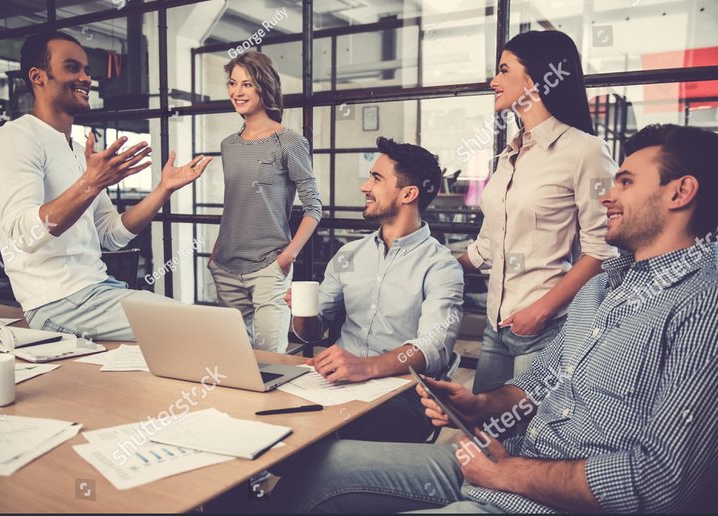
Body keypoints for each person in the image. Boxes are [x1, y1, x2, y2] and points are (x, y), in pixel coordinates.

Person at [268, 123, 718, 513]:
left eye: (623, 182)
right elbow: (538, 385)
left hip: (536, 488)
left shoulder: (701, 304)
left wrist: (507, 473)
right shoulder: (602, 286)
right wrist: (479, 405)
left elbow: (659, 484)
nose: (606, 197)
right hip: (507, 462)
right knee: (320, 467)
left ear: (681, 192)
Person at [0, 31, 211, 341]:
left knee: (205, 332)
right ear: (38, 77)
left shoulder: (77, 151)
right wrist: (89, 184)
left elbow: (111, 234)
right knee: (204, 329)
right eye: (73, 68)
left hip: (97, 290)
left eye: (87, 70)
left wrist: (163, 190)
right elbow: (23, 235)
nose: (86, 78)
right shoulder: (15, 138)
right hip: (58, 302)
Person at [457, 30, 618, 394]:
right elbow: (487, 245)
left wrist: (541, 311)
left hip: (546, 326)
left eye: (503, 70)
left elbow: (603, 250)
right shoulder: (510, 155)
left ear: (533, 80)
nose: (493, 81)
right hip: (496, 324)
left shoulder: (585, 151)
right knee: (483, 432)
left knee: (529, 442)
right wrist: (432, 269)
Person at [288, 136, 465, 443]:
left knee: (329, 436)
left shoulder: (441, 266)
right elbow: (313, 331)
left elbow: (433, 347)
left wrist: (365, 367)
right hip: (335, 383)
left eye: (376, 178)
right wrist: (303, 311)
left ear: (408, 193)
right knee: (273, 412)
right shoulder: (349, 255)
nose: (364, 186)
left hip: (401, 394)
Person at [207, 51, 322, 354]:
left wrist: (287, 257)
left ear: (264, 87)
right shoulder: (228, 145)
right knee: (233, 360)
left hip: (269, 268)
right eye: (233, 83)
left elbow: (314, 208)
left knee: (272, 359)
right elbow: (236, 202)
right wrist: (216, 252)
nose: (237, 92)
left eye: (247, 84)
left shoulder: (289, 141)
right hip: (226, 267)